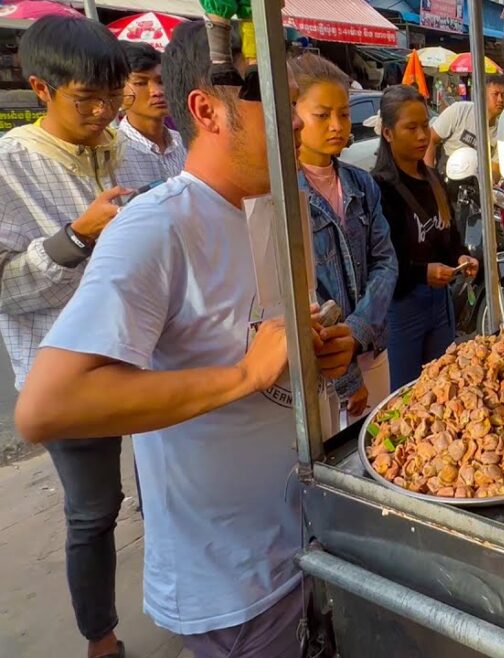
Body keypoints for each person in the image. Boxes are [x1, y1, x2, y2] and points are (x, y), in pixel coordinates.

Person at [13, 21, 357, 657]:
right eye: (275, 104)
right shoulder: (156, 226)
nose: (297, 124)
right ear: (207, 110)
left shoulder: (279, 209)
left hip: (309, 538)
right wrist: (245, 376)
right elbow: (46, 407)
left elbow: (271, 337)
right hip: (233, 581)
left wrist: (320, 353)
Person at [0, 17, 163, 658]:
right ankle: (102, 637)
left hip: (145, 351)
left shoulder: (123, 150)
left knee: (167, 478)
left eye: (112, 97)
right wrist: (76, 236)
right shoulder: (10, 167)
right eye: (86, 99)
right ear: (41, 88)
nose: (103, 112)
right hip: (69, 372)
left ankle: (175, 584)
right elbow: (6, 289)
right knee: (94, 510)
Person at [290, 53, 398, 425]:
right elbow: (304, 293)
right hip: (324, 367)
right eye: (322, 115)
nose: (336, 125)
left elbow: (385, 261)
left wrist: (356, 332)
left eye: (344, 114)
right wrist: (347, 375)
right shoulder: (286, 194)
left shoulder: (361, 183)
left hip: (371, 347)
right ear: (293, 113)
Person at [371, 85, 478, 388]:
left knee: (443, 388)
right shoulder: (379, 189)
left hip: (440, 306)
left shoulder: (433, 180)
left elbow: (449, 238)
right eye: (411, 128)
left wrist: (461, 257)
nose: (422, 136)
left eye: (425, 125)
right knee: (405, 394)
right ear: (388, 133)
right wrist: (422, 273)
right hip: (402, 311)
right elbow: (380, 263)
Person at [118, 41, 186, 180]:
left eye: (161, 81)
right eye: (140, 83)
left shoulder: (186, 143)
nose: (157, 91)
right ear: (118, 90)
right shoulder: (114, 155)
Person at [424, 74, 504, 171]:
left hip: (477, 176)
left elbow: (495, 169)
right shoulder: (459, 110)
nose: (500, 100)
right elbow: (431, 138)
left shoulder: (502, 132)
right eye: (496, 94)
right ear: (483, 95)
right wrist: (429, 173)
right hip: (446, 169)